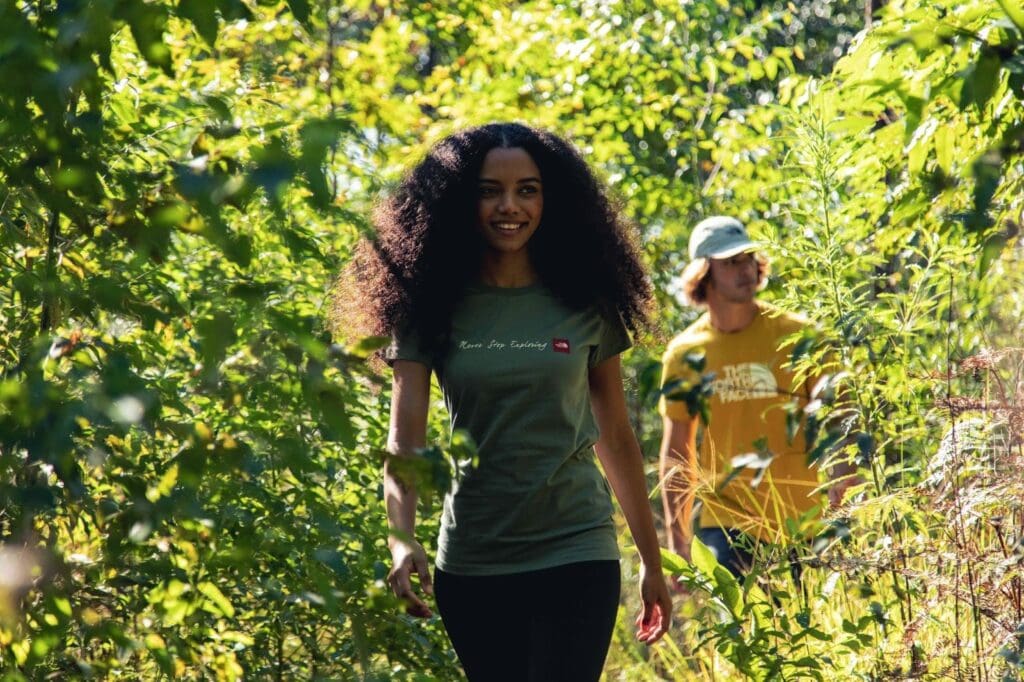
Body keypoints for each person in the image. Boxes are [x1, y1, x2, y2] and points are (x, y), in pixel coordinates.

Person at [345, 123, 672, 681]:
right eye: (488, 190)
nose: (509, 206)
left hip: (577, 548)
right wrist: (402, 542)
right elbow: (405, 443)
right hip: (474, 559)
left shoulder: (585, 303)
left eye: (528, 189)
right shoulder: (429, 309)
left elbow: (615, 436)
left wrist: (650, 559)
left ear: (551, 198)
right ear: (457, 202)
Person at [658, 216, 856, 578]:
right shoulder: (685, 353)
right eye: (731, 262)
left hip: (803, 518)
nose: (744, 270)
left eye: (748, 258)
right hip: (727, 519)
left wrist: (845, 494)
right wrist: (678, 539)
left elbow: (841, 419)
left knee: (805, 628)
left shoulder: (800, 336)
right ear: (705, 273)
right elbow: (676, 453)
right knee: (740, 626)